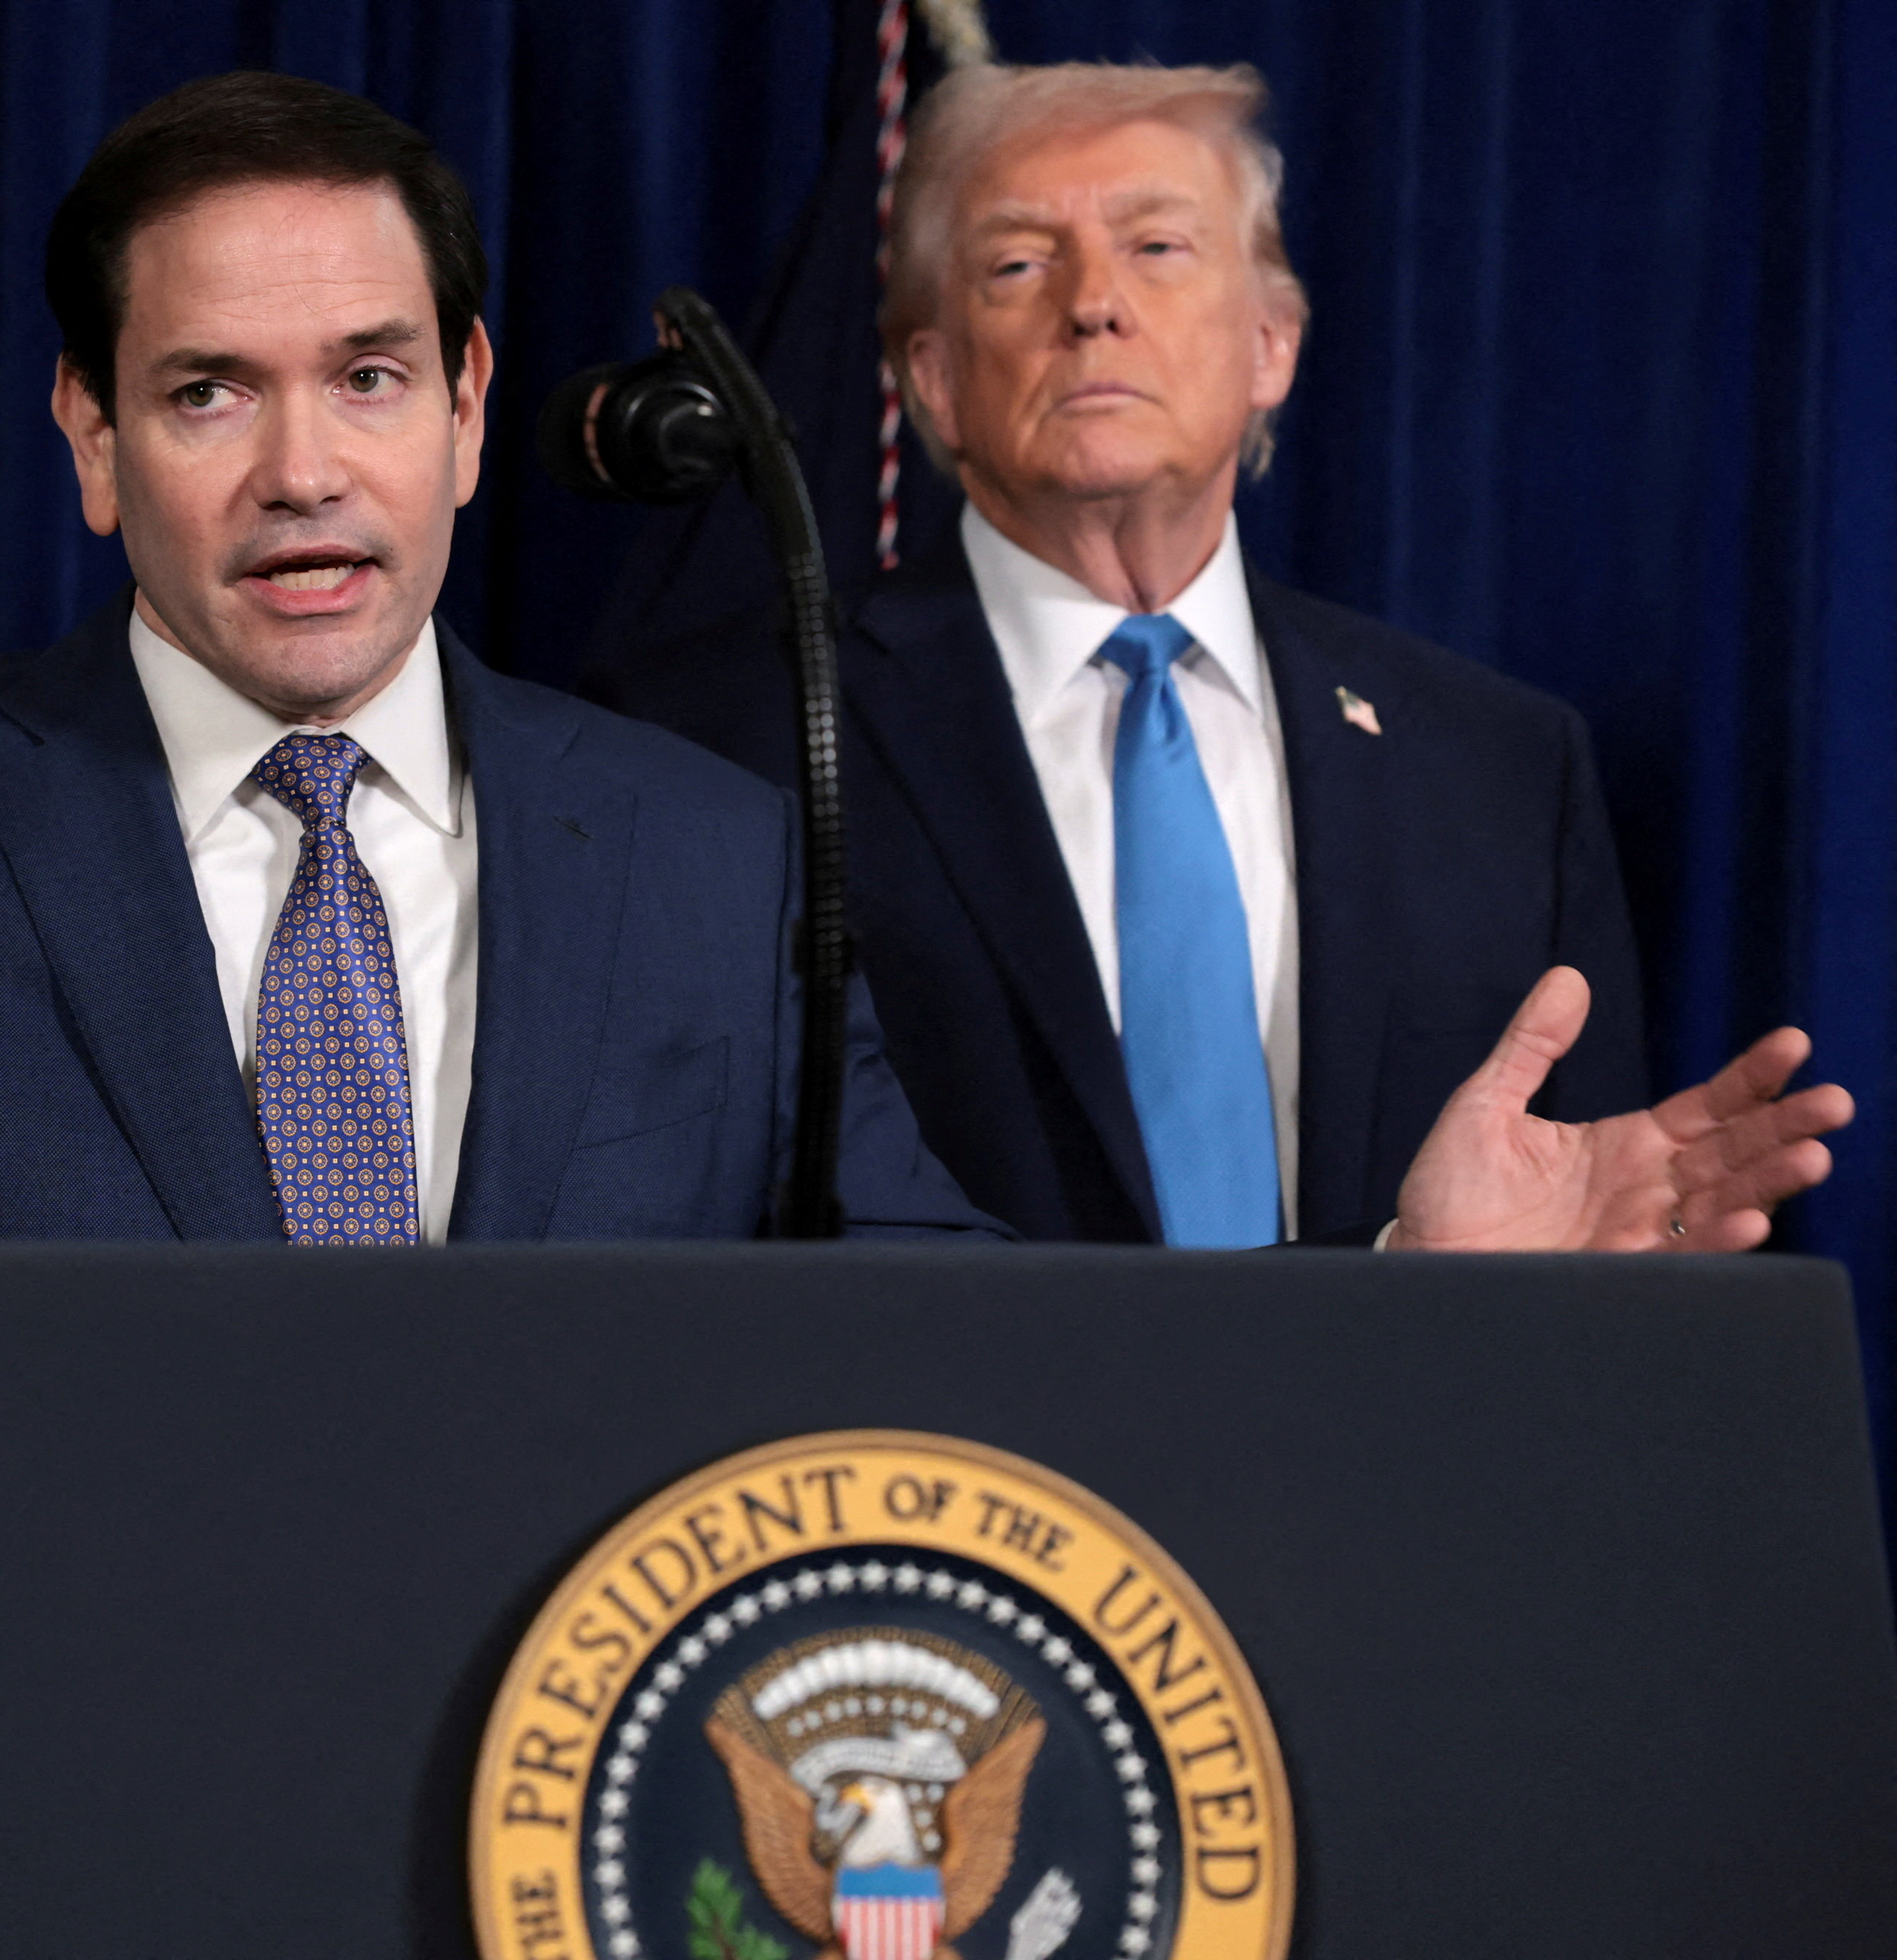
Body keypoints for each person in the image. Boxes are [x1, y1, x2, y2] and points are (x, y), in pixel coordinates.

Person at [0, 74, 1850, 1564]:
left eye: (370, 374)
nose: (302, 470)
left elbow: (974, 1330)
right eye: (206, 392)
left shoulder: (698, 838)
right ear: (85, 439)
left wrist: (1391, 1282)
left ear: (477, 409)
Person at [593, 62, 1654, 1246]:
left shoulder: (1500, 766)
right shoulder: (720, 737)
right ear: (935, 379)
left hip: (1392, 1426)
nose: (1093, 304)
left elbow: (1580, 1246)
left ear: (1271, 346)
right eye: (1018, 264)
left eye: (1157, 248)